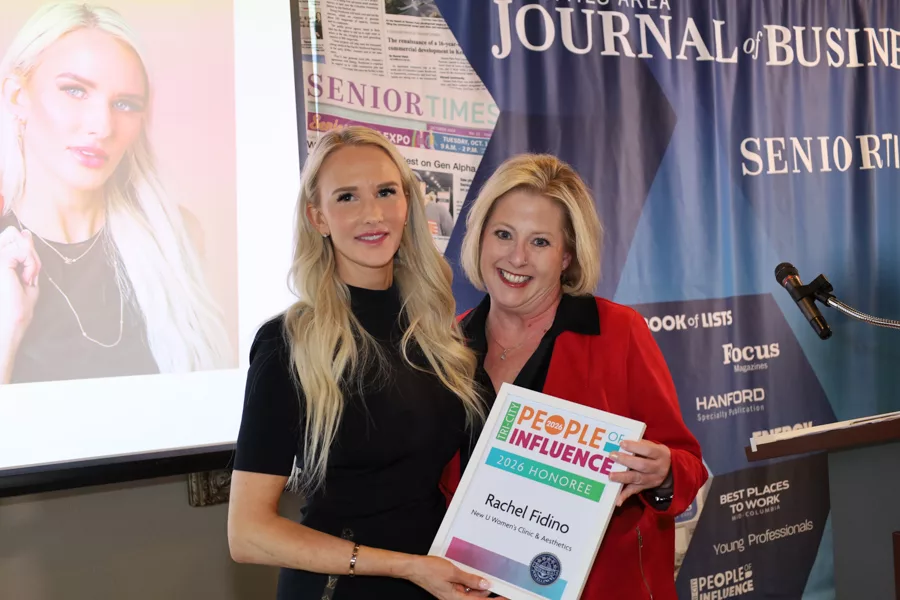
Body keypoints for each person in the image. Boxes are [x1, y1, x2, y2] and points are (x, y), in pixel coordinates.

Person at [227, 126, 501, 600]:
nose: (372, 214)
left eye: (385, 192)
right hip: (342, 588)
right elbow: (248, 533)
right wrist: (406, 567)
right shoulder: (287, 344)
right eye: (347, 197)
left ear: (408, 204)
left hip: (437, 584)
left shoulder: (439, 334)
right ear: (319, 217)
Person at [441, 153, 708, 599]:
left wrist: (661, 472)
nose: (517, 257)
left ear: (567, 255)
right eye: (503, 234)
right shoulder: (447, 344)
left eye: (540, 242)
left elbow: (686, 463)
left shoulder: (618, 332)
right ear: (481, 239)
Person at [0, 2, 230, 385]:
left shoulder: (176, 238)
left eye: (124, 104)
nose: (102, 126)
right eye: (75, 90)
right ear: (17, 97)